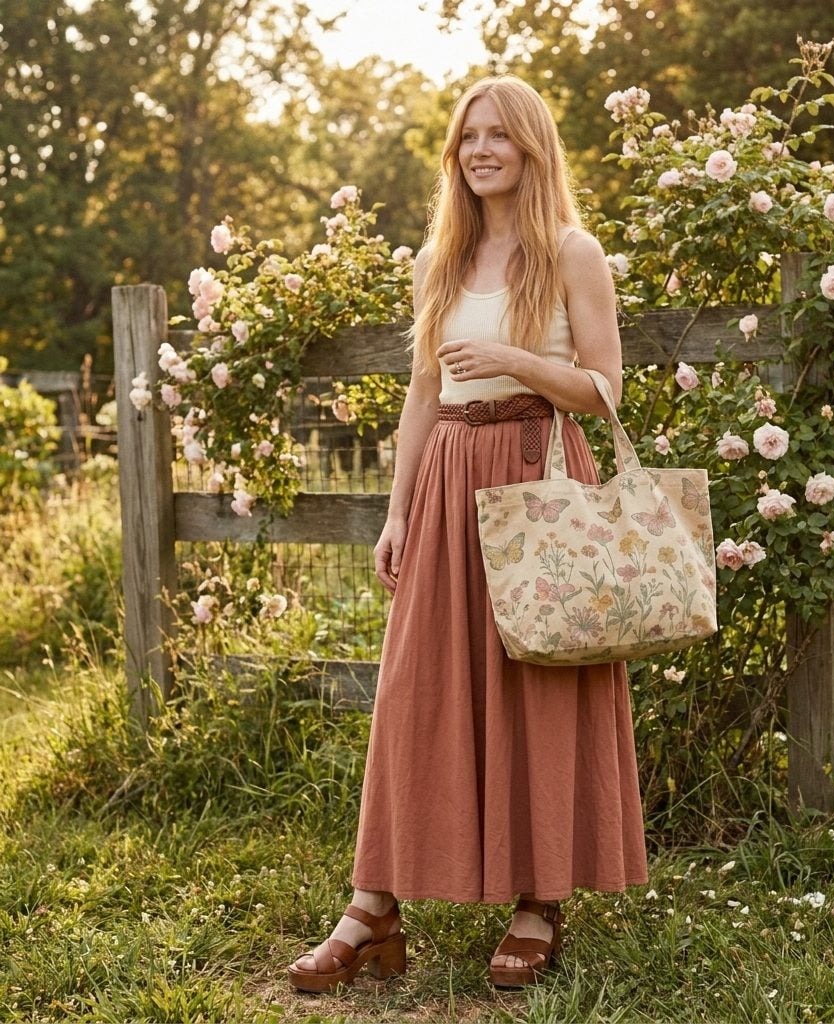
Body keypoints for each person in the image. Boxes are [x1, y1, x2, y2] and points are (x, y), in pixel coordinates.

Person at [286, 74, 648, 993]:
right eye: (468, 137)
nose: (481, 150)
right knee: (417, 689)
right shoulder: (438, 258)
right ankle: (373, 907)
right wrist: (397, 509)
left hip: (541, 478)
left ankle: (540, 901)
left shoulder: (572, 252)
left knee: (540, 685)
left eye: (500, 135)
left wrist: (517, 359)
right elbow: (421, 394)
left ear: (532, 147)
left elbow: (606, 388)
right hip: (448, 481)